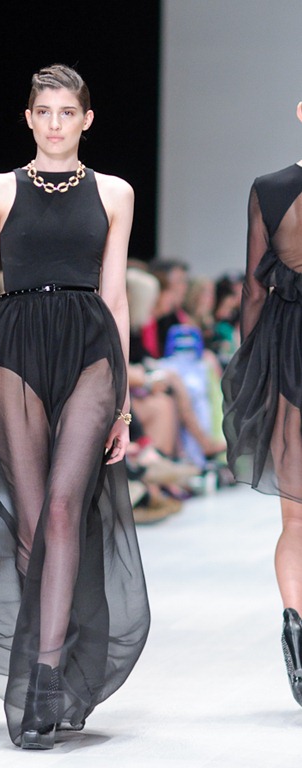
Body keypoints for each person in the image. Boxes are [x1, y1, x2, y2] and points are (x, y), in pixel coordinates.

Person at [0, 64, 150, 749]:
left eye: (66, 112)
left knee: (63, 509)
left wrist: (124, 402)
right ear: (28, 118)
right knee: (30, 520)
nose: (54, 123)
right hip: (14, 349)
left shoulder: (114, 192)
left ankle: (45, 677)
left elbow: (116, 296)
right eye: (43, 111)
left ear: (86, 119)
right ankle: (43, 657)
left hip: (90, 348)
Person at [222, 102, 302, 708]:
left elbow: (254, 287)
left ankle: (299, 635)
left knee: (297, 519)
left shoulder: (272, 190)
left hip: (289, 350)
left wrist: (252, 361)